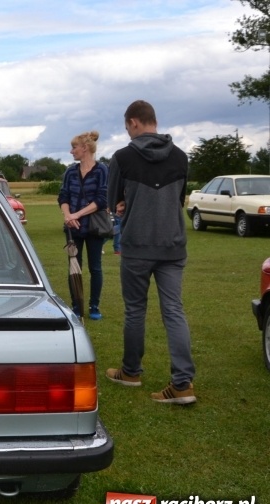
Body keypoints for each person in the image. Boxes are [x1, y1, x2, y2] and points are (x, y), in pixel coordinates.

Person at [105, 100, 196, 405]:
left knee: (135, 310)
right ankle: (182, 383)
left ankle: (131, 372)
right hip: (173, 245)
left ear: (133, 122)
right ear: (153, 120)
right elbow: (179, 200)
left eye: (126, 127)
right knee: (174, 311)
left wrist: (123, 204)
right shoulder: (181, 157)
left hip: (136, 246)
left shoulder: (122, 157)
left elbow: (113, 203)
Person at [58, 130, 108, 320]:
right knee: (74, 267)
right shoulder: (70, 171)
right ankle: (76, 306)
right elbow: (63, 196)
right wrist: (68, 216)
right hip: (73, 228)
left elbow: (102, 199)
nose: (71, 151)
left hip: (94, 227)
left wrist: (77, 214)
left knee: (95, 268)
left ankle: (94, 306)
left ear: (85, 148)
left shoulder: (102, 170)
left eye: (74, 147)